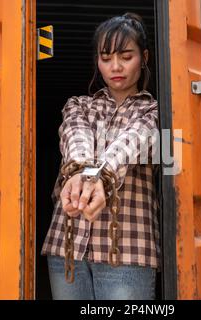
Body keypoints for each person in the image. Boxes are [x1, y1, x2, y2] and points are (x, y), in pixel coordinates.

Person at [41, 12, 160, 300]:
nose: (115, 66)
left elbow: (132, 141)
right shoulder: (78, 106)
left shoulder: (155, 111)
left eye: (125, 56)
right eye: (105, 58)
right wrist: (82, 171)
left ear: (144, 57)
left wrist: (99, 176)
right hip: (66, 247)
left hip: (129, 251)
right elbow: (75, 139)